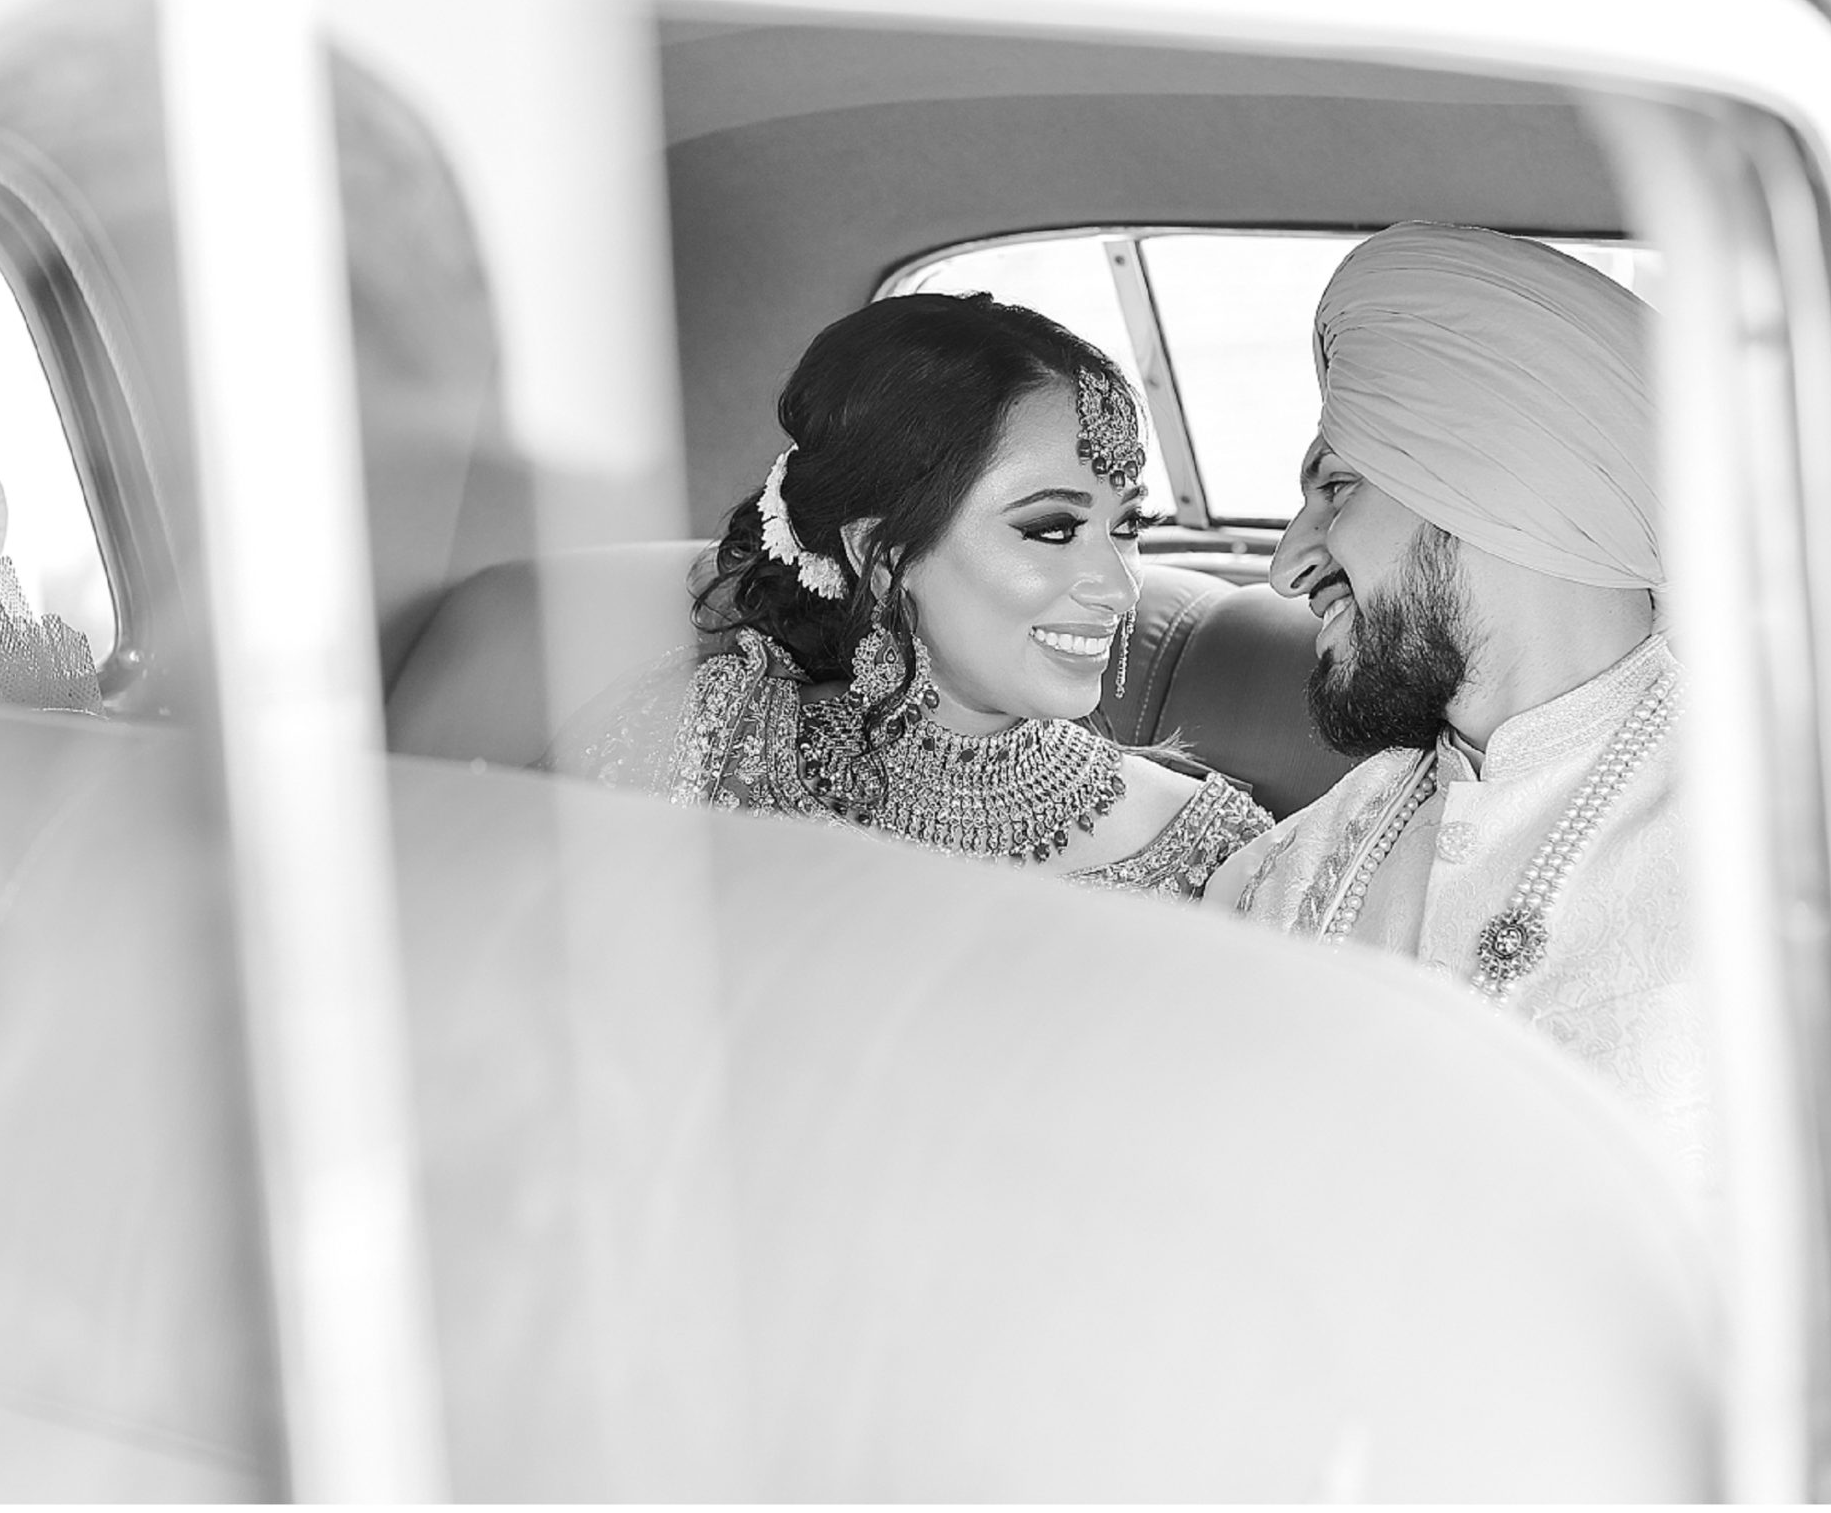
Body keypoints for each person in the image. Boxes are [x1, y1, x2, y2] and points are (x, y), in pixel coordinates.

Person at [1205, 223, 1705, 1170]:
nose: (1285, 566)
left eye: (1337, 487)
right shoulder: (1295, 865)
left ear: (1503, 483)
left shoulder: (1805, 871)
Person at [566, 292, 1273, 898]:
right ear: (882, 556)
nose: (1121, 588)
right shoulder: (705, 743)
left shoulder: (1209, 853)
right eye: (1054, 529)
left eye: (1127, 528)